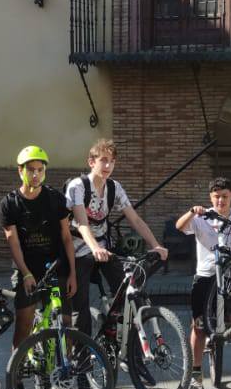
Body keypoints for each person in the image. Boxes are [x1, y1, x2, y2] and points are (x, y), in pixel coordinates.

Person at [65, 139, 168, 343]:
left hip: (103, 247)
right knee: (81, 309)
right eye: (103, 160)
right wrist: (94, 248)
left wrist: (155, 245)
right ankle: (82, 359)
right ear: (91, 162)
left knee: (127, 289)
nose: (108, 166)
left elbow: (136, 219)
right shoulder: (78, 186)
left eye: (112, 161)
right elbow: (82, 224)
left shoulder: (114, 188)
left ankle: (122, 340)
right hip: (78, 250)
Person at [177, 177, 231, 389]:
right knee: (199, 325)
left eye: (225, 196)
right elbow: (180, 226)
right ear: (210, 198)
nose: (221, 201)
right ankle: (195, 375)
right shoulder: (202, 216)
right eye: (216, 197)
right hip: (206, 275)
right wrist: (191, 212)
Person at [1, 146, 76, 356]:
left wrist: (72, 273)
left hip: (56, 267)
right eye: (31, 169)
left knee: (66, 324)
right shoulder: (10, 204)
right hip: (27, 268)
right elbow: (13, 242)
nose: (35, 174)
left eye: (40, 169)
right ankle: (16, 371)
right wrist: (25, 273)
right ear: (20, 170)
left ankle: (65, 374)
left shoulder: (55, 198)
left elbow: (66, 237)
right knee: (24, 326)